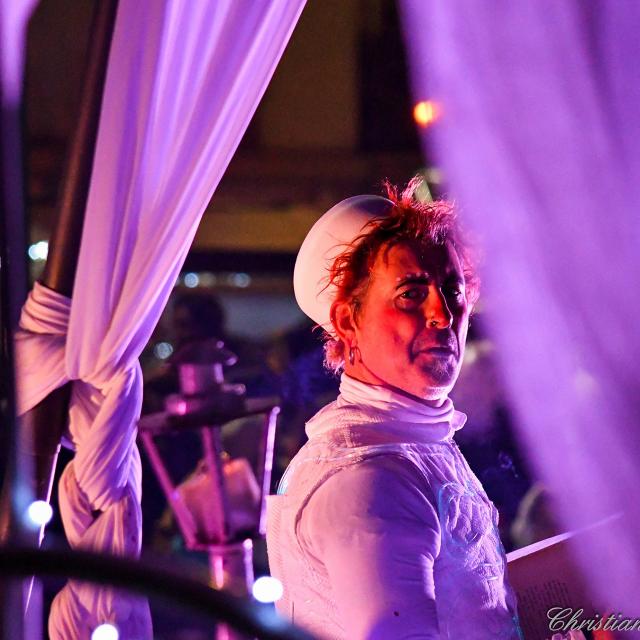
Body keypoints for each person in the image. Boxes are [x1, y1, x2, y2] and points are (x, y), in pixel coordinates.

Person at [266, 177, 523, 639]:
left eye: (452, 289)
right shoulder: (369, 477)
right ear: (348, 320)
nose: (443, 314)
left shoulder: (409, 441)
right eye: (411, 293)